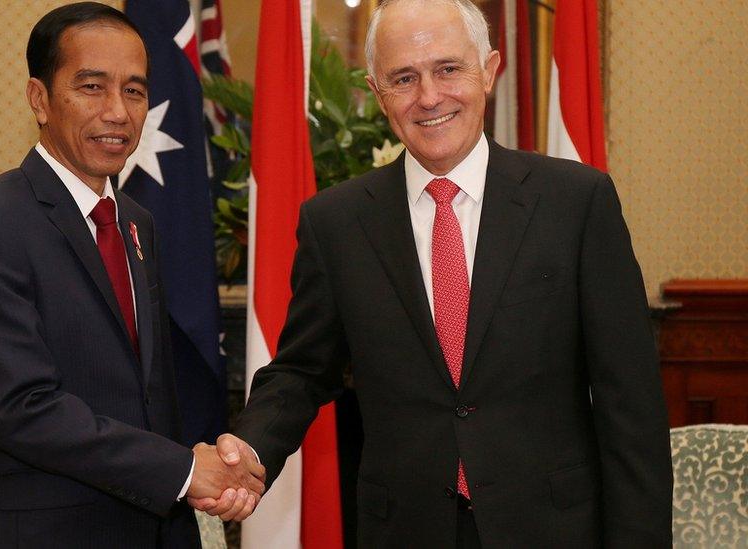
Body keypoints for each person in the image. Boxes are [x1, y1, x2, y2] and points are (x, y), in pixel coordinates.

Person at [191, 0, 672, 546]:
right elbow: (302, 370)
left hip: (551, 528)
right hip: (404, 529)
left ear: (488, 71)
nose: (429, 97)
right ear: (378, 93)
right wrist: (249, 449)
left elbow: (630, 406)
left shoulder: (576, 202)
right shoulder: (337, 222)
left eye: (448, 69)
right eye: (404, 78)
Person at [0, 3, 262, 547]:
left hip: (154, 526)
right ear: (39, 99)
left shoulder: (138, 223)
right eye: (92, 87)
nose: (117, 111)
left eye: (134, 91)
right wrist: (184, 470)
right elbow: (22, 408)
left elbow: (151, 395)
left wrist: (203, 472)